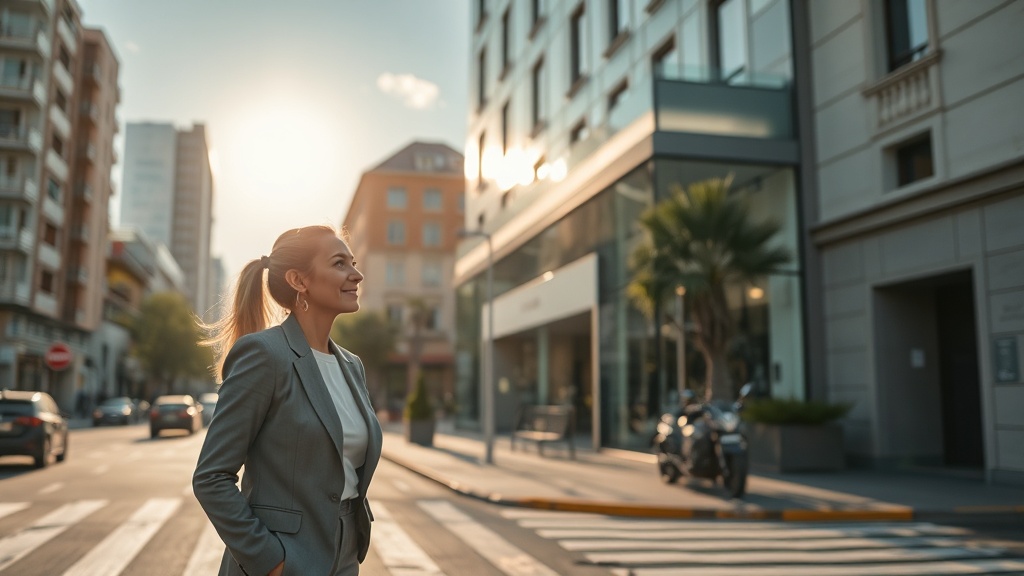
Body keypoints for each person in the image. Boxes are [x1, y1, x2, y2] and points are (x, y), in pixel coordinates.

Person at [193, 225, 382, 576]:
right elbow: (211, 477)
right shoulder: (264, 355)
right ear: (299, 280)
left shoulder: (352, 365)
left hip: (345, 554)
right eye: (339, 263)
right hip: (283, 558)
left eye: (353, 263)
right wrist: (272, 562)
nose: (356, 275)